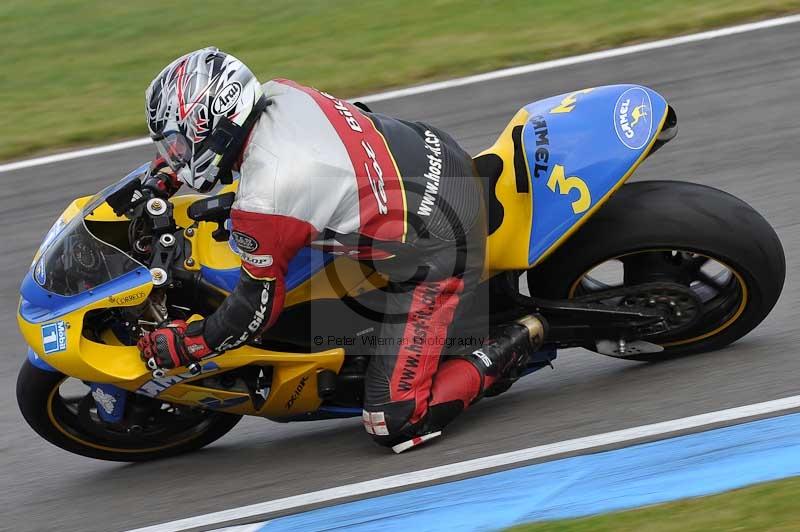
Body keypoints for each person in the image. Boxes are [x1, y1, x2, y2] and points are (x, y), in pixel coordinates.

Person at [137, 47, 539, 452]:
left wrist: (189, 344)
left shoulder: (264, 199)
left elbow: (252, 313)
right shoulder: (281, 93)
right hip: (433, 149)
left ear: (217, 123)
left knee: (393, 420)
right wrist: (162, 175)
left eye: (179, 147)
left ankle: (519, 336)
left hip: (443, 247)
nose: (177, 157)